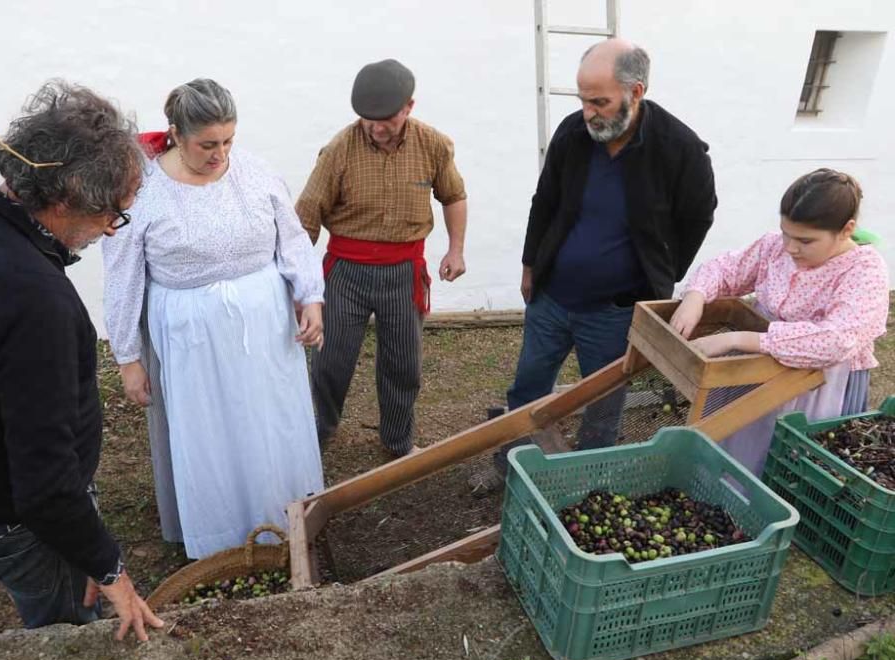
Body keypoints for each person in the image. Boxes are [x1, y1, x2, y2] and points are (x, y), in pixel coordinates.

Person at [0, 81, 162, 640]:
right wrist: (107, 567)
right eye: (114, 215)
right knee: (64, 626)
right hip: (12, 521)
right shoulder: (35, 301)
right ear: (65, 200)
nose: (109, 230)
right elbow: (44, 488)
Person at [475, 39, 717, 493]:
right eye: (583, 100)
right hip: (552, 298)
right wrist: (531, 266)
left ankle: (586, 488)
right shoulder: (573, 134)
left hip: (615, 310)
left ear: (636, 92)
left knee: (604, 403)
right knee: (528, 385)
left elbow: (699, 215)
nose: (589, 112)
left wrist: (663, 273)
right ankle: (510, 466)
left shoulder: (679, 149)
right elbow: (544, 202)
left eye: (600, 101)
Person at [102, 78, 325, 560]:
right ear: (177, 136)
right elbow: (122, 277)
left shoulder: (256, 173)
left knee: (269, 419)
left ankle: (284, 513)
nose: (219, 154)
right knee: (210, 429)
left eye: (227, 141)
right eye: (207, 144)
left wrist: (310, 297)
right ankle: (222, 532)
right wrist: (128, 357)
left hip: (265, 328)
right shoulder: (141, 192)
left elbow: (291, 238)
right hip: (191, 338)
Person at [295, 58, 468, 457]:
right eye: (367, 118)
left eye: (385, 117)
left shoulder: (434, 145)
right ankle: (317, 431)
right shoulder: (339, 149)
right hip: (346, 272)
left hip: (404, 271)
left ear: (409, 106)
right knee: (329, 359)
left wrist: (455, 249)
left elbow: (453, 195)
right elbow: (307, 216)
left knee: (402, 364)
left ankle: (396, 440)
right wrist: (300, 285)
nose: (375, 126)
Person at [670, 168, 889, 475]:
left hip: (816, 385)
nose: (790, 247)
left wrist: (739, 340)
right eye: (786, 233)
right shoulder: (774, 247)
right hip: (750, 374)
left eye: (805, 240)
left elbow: (836, 340)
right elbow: (727, 268)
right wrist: (696, 295)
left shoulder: (864, 271)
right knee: (729, 448)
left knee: (783, 467)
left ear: (846, 229)